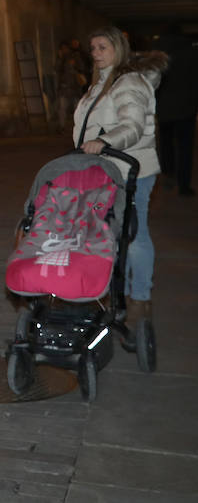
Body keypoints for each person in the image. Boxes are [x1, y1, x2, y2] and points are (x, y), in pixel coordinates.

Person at [72, 27, 168, 320]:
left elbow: (133, 125)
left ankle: (139, 297)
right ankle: (114, 291)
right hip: (106, 169)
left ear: (118, 48)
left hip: (132, 170)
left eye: (103, 47)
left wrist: (104, 142)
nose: (97, 53)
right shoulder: (101, 83)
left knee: (135, 234)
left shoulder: (128, 83)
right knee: (110, 232)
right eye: (93, 48)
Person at [153, 28, 196, 197]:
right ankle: (184, 185)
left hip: (165, 108)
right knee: (185, 148)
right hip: (186, 108)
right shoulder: (191, 54)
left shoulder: (159, 56)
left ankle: (168, 175)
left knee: (166, 145)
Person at [54, 40, 87, 134]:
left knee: (77, 109)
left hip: (75, 88)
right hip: (64, 88)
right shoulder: (61, 59)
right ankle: (62, 126)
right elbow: (56, 69)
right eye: (62, 49)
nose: (64, 50)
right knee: (62, 108)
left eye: (65, 48)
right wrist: (60, 59)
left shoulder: (75, 56)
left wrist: (75, 66)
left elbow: (82, 68)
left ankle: (79, 127)